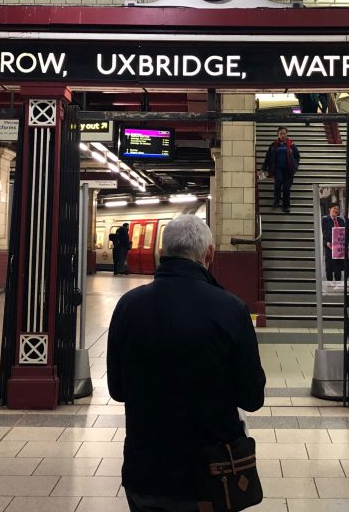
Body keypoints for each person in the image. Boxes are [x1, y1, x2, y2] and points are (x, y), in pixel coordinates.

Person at [107, 215, 265, 512]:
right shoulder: (231, 309)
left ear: (163, 252)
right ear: (209, 254)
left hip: (145, 472)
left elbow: (117, 389)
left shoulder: (127, 306)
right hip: (211, 474)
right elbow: (252, 397)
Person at [262, 126, 301, 213]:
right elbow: (268, 158)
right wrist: (263, 168)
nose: (283, 135)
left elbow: (297, 156)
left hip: (288, 169)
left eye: (284, 133)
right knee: (278, 183)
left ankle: (286, 205)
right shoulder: (273, 145)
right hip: (277, 169)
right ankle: (276, 201)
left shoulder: (291, 145)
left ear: (287, 134)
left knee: (287, 187)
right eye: (281, 134)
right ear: (278, 134)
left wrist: (295, 165)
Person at [321, 203, 347, 283]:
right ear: (329, 209)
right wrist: (326, 243)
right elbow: (323, 233)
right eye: (334, 208)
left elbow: (344, 233)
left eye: (338, 209)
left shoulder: (341, 220)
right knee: (329, 268)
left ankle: (338, 284)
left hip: (339, 248)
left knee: (338, 269)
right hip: (330, 246)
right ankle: (329, 285)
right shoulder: (325, 220)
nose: (336, 210)